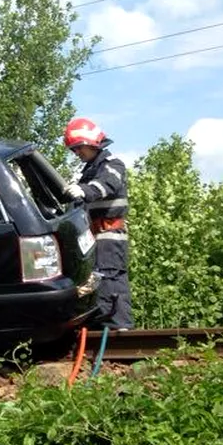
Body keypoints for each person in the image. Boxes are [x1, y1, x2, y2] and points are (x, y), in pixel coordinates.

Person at [61, 117, 132, 330]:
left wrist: (84, 190)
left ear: (91, 142)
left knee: (109, 279)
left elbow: (106, 185)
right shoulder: (90, 170)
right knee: (96, 282)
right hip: (95, 237)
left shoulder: (112, 165)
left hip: (109, 236)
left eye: (78, 147)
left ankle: (118, 329)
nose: (77, 153)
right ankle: (101, 327)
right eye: (74, 150)